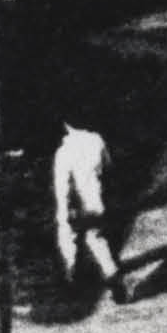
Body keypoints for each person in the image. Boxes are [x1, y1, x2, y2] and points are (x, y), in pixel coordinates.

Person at [53, 122, 128, 304]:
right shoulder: (97, 140)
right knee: (97, 240)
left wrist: (66, 209)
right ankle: (112, 275)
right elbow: (108, 167)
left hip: (74, 207)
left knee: (67, 240)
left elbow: (63, 187)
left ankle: (72, 281)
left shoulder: (63, 153)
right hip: (96, 201)